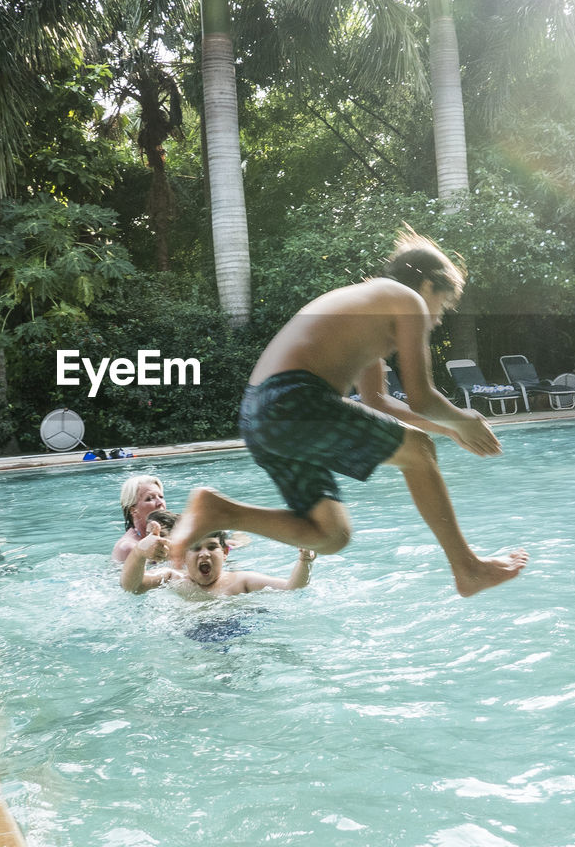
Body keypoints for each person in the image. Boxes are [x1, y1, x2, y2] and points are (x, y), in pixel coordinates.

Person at [167, 229, 528, 598]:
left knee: (331, 535)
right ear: (427, 283)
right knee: (417, 451)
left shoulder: (368, 311)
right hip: (293, 400)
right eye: (443, 303)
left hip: (261, 415)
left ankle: (223, 511)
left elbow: (377, 403)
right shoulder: (407, 301)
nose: (437, 319)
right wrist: (463, 419)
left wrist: (448, 429)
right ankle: (466, 568)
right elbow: (420, 397)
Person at [121, 530, 315, 598]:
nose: (204, 554)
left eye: (211, 547)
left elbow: (292, 588)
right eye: (195, 548)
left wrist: (305, 560)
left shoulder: (241, 580)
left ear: (224, 553)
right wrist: (139, 553)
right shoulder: (171, 577)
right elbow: (132, 587)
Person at [113, 475, 165, 563]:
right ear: (133, 510)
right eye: (149, 499)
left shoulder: (167, 537)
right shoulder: (128, 547)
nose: (160, 503)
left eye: (161, 497)